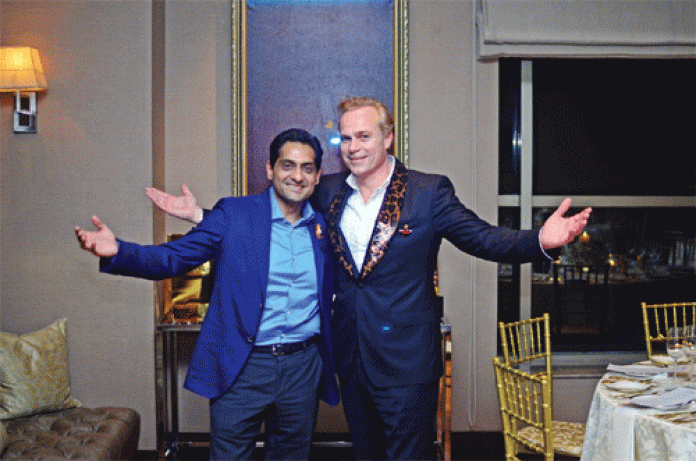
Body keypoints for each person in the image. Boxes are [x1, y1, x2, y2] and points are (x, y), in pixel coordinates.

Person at [147, 96, 592, 460]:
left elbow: (483, 238)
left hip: (406, 361)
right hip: (352, 358)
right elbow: (269, 219)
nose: (353, 147)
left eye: (364, 136)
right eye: (345, 137)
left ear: (388, 137)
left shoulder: (428, 191)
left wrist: (540, 239)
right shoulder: (327, 190)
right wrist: (203, 216)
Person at [75, 128, 340, 461]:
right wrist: (119, 250)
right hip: (242, 365)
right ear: (270, 169)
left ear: (317, 176)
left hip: (303, 367)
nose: (297, 176)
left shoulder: (325, 227)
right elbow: (174, 257)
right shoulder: (234, 214)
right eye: (288, 165)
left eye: (307, 168)